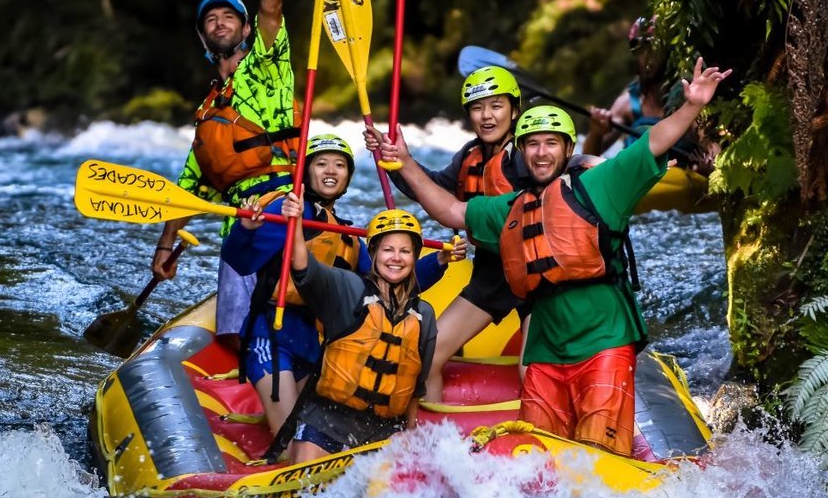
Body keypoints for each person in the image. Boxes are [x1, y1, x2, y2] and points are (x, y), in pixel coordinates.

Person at [377, 57, 730, 457]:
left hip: (591, 327)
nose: (540, 153)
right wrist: (402, 162)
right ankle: (429, 444)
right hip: (522, 302)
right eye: (533, 144)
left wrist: (692, 105)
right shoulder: (501, 195)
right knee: (534, 444)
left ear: (565, 148)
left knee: (577, 429)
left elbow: (652, 142)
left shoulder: (598, 182)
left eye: (550, 144)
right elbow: (451, 210)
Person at [220, 133, 461, 438]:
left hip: (315, 340)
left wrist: (439, 261)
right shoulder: (289, 211)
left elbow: (385, 285)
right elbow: (239, 260)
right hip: (272, 334)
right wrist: (247, 230)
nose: (331, 171)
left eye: (339, 165)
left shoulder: (344, 235)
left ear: (348, 176)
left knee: (318, 430)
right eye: (321, 164)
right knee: (287, 437)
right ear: (307, 172)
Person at [150, 0, 299, 350]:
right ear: (202, 37)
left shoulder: (268, 65)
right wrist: (164, 246)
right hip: (238, 220)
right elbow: (188, 187)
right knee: (236, 335)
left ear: (246, 28)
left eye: (228, 17)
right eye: (210, 20)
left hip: (284, 204)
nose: (219, 23)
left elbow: (272, 7)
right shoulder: (207, 110)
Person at [364, 64, 529, 401]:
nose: (487, 116)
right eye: (478, 108)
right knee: (429, 355)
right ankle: (438, 446)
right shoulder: (470, 155)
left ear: (514, 111)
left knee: (533, 371)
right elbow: (435, 188)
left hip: (535, 277)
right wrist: (396, 160)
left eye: (496, 106)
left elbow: (563, 169)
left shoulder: (531, 154)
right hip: (492, 272)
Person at [276, 196, 439, 462]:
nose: (396, 258)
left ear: (415, 257)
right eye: (388, 250)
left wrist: (409, 433)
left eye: (405, 251)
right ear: (373, 254)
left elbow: (415, 385)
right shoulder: (348, 289)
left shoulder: (424, 315)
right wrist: (293, 224)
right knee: (305, 494)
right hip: (328, 421)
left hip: (384, 430)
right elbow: (304, 267)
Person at [584, 16, 708, 171]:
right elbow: (587, 162)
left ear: (671, 52)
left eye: (654, 49)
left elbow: (711, 148)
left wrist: (707, 165)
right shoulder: (627, 104)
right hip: (636, 186)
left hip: (680, 186)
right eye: (641, 51)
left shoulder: (691, 101)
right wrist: (596, 133)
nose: (647, 57)